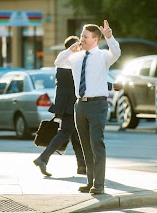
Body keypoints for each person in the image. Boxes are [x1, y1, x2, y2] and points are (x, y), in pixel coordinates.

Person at [33, 35, 120, 177]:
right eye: (79, 44)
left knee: (76, 137)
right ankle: (43, 158)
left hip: (65, 103)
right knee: (65, 132)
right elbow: (90, 82)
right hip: (71, 104)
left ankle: (81, 166)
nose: (82, 46)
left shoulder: (66, 62)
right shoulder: (73, 62)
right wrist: (112, 86)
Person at [54, 20, 121, 194]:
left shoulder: (103, 56)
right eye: (81, 35)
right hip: (80, 105)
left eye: (85, 36)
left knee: (96, 144)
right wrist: (71, 49)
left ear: (95, 39)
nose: (81, 39)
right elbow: (58, 62)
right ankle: (90, 182)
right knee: (85, 145)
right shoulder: (75, 57)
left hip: (97, 104)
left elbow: (117, 52)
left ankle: (99, 185)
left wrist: (110, 36)